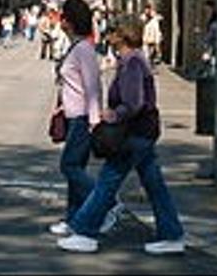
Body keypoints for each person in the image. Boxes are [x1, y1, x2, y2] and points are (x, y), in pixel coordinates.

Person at [57, 14, 184, 255]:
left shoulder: (133, 62)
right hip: (144, 131)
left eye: (113, 32)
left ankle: (85, 231)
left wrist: (114, 115)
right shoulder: (133, 60)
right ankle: (171, 234)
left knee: (107, 181)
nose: (109, 36)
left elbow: (134, 102)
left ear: (122, 36)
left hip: (134, 133)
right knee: (154, 184)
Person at [48, 0, 105, 237]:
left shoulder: (83, 49)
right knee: (76, 169)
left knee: (69, 166)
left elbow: (93, 86)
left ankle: (107, 203)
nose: (59, 20)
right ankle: (75, 219)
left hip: (83, 118)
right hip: (73, 115)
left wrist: (94, 120)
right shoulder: (76, 46)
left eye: (63, 16)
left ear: (69, 21)